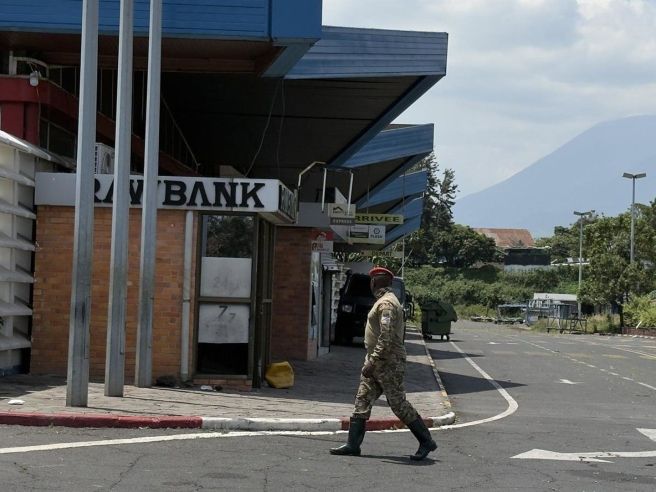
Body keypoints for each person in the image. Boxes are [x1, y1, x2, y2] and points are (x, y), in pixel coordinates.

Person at [330, 266, 437, 461]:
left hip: (388, 362)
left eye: (371, 281)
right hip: (377, 361)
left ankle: (426, 440)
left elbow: (386, 337)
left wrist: (373, 361)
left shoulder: (386, 304)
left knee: (397, 403)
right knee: (362, 400)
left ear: (374, 282)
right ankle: (353, 445)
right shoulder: (384, 300)